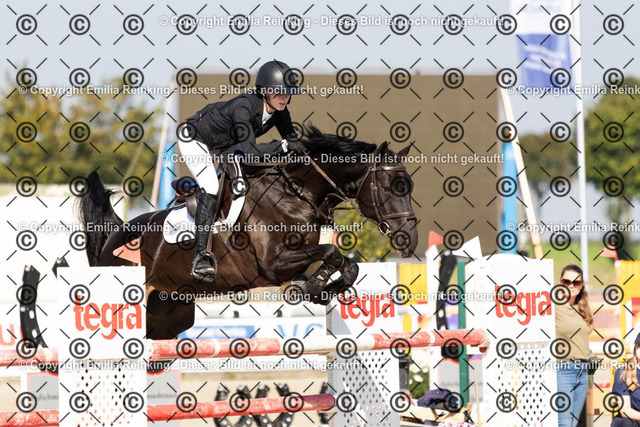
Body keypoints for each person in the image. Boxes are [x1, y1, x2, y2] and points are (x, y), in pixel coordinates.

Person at [181, 60, 305, 281]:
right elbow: (251, 153)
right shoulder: (243, 108)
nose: (284, 97)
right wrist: (283, 147)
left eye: (288, 93)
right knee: (211, 186)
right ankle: (201, 256)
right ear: (265, 91)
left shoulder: (280, 111)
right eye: (279, 92)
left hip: (226, 144)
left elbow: (293, 144)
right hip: (195, 139)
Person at [555, 264, 594, 427]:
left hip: (582, 371)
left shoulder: (582, 306)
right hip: (563, 370)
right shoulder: (554, 306)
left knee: (572, 423)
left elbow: (589, 327)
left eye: (576, 283)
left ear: (581, 285)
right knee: (564, 423)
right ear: (560, 282)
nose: (571, 286)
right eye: (567, 282)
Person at [611, 333, 640, 426]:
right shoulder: (623, 372)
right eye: (639, 345)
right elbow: (625, 410)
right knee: (624, 423)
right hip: (634, 419)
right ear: (635, 348)